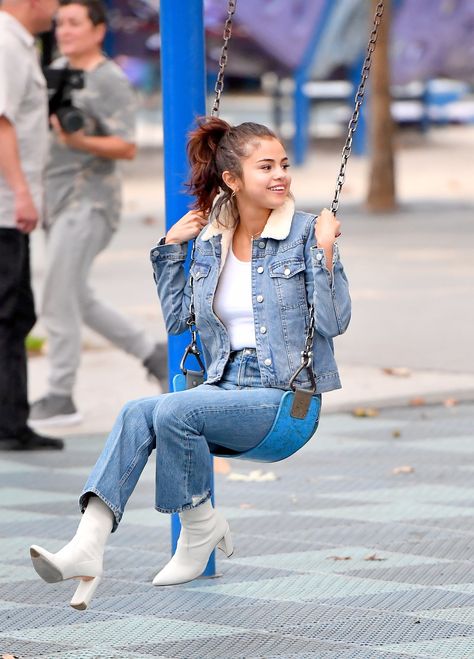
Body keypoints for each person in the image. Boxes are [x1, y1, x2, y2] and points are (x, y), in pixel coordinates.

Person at [29, 117, 351, 609]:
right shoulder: (210, 240)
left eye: (283, 164)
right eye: (265, 166)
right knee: (139, 410)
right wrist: (171, 250)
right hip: (222, 386)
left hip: (283, 398)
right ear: (232, 179)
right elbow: (180, 320)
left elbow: (333, 322)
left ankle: (198, 525)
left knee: (176, 410)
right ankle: (86, 545)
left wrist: (326, 252)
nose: (280, 175)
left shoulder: (309, 233)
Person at [29, 0, 167, 428]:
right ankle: (153, 353)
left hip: (89, 201)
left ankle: (60, 394)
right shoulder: (53, 67)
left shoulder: (110, 80)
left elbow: (126, 146)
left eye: (74, 22)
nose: (64, 30)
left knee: (56, 296)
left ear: (98, 30)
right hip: (56, 200)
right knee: (77, 297)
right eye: (60, 23)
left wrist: (80, 142)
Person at [0, 0, 64, 451]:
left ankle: (11, 420)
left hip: (10, 207)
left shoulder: (20, 45)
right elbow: (1, 122)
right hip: (4, 207)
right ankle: (8, 424)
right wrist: (22, 192)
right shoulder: (5, 43)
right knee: (8, 313)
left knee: (17, 312)